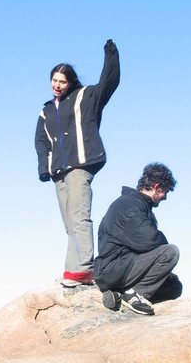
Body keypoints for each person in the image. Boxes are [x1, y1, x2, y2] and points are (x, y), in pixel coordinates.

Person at [35, 39, 120, 287]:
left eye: (62, 81)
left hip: (81, 166)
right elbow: (40, 140)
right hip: (58, 172)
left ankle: (84, 269)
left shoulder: (87, 96)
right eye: (54, 80)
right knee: (69, 223)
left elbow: (109, 83)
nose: (57, 85)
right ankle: (71, 272)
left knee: (80, 216)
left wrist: (111, 55)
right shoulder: (47, 110)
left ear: (71, 82)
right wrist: (46, 167)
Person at [94, 163, 182, 315]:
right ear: (156, 186)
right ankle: (134, 294)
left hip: (121, 267)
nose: (165, 198)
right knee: (171, 252)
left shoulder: (137, 204)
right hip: (112, 268)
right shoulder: (131, 205)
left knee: (174, 287)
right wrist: (165, 263)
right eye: (165, 192)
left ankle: (119, 294)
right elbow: (149, 240)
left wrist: (166, 272)